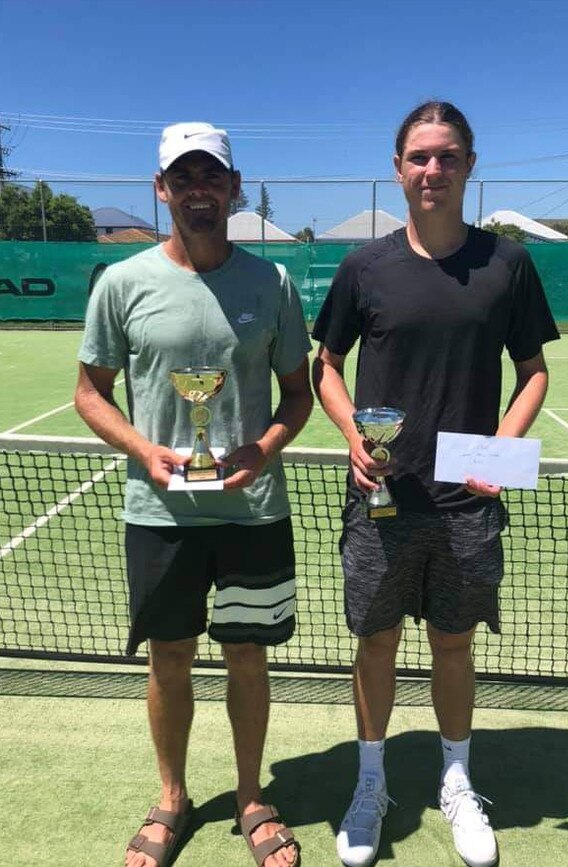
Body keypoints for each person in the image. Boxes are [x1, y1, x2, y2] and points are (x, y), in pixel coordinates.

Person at [312, 100, 559, 867]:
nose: (432, 169)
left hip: (466, 506)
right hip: (381, 503)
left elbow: (534, 372)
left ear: (469, 166)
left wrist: (501, 450)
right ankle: (370, 783)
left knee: (453, 645)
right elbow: (327, 367)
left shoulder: (508, 264)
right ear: (398, 169)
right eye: (419, 156)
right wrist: (355, 435)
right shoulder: (364, 267)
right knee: (375, 643)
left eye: (447, 156)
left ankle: (457, 782)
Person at [75, 122, 312, 867]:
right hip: (159, 516)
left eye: (212, 177)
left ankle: (250, 797)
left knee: (248, 657)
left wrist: (263, 448)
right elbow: (89, 394)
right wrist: (144, 449)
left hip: (252, 514)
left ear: (234, 188)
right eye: (184, 178)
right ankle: (172, 796)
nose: (198, 190)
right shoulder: (122, 283)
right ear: (161, 189)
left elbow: (298, 394)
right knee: (168, 658)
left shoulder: (270, 284)